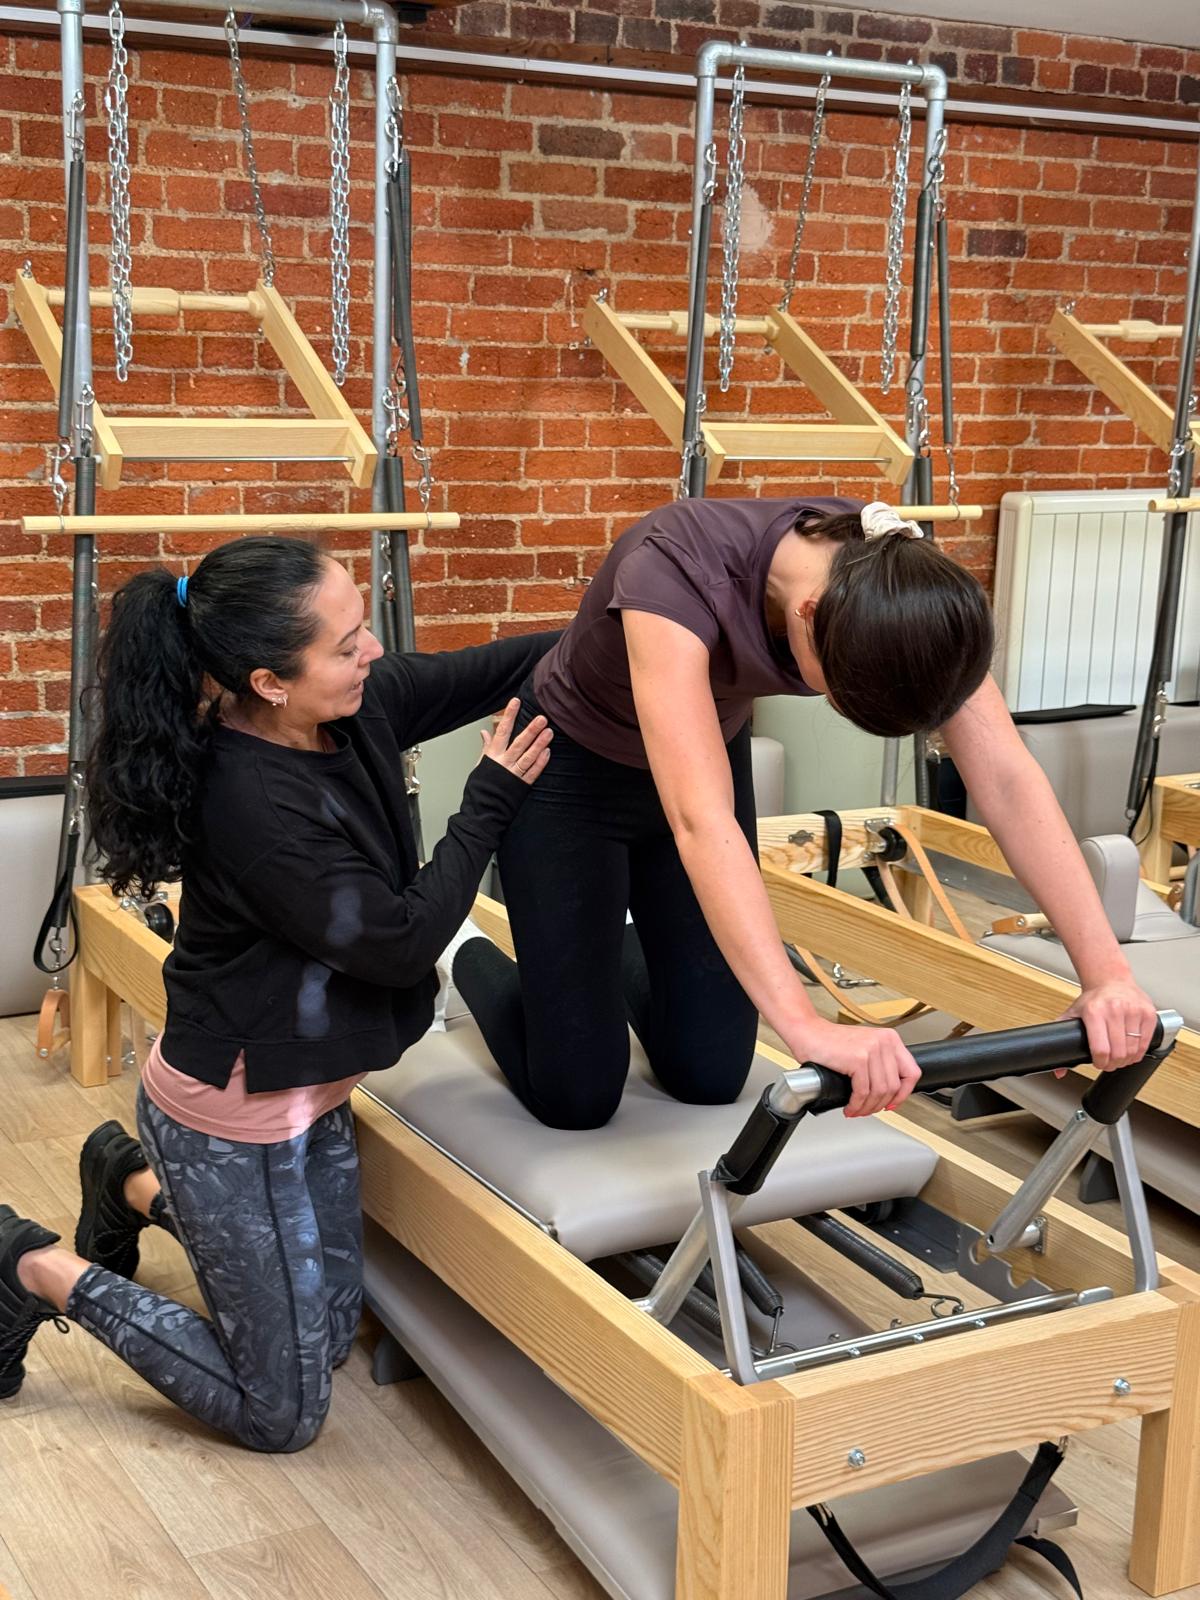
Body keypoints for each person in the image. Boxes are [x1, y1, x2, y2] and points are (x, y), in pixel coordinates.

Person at [0, 536, 555, 1449]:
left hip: (312, 1097)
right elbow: (400, 941)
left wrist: (632, 622)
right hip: (233, 1119)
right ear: (268, 682)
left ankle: (126, 1178)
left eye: (363, 628)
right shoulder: (253, 804)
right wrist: (489, 797)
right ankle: (31, 1265)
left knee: (330, 1340)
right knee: (284, 1411)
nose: (371, 652)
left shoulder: (351, 708)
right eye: (345, 645)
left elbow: (495, 666)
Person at [454, 496, 1159, 1131]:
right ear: (811, 615)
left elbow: (1005, 778)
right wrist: (805, 1024)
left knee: (708, 1077)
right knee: (578, 1098)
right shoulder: (671, 567)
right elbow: (702, 822)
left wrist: (1106, 977)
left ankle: (611, 958)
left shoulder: (899, 583)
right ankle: (479, 961)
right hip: (566, 771)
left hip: (701, 755)